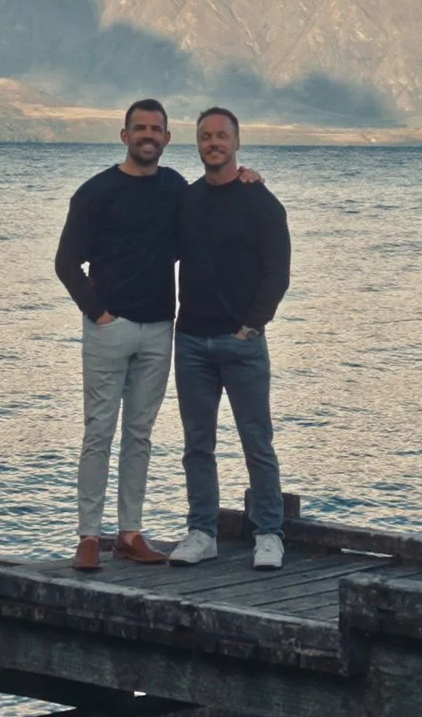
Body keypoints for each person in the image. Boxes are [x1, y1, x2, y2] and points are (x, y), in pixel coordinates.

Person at [53, 99, 260, 572]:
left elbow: (216, 197)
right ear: (124, 135)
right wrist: (99, 313)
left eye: (157, 129)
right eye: (139, 128)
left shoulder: (175, 190)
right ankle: (89, 535)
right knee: (98, 432)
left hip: (161, 328)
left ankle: (129, 533)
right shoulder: (95, 192)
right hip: (110, 328)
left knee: (140, 435)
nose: (148, 135)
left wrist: (248, 179)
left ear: (168, 139)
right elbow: (66, 263)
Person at [168, 106, 293, 571]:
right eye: (205, 136)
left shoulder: (261, 201)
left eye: (222, 135)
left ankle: (269, 534)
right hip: (193, 343)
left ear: (236, 142)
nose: (213, 142)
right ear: (197, 144)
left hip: (242, 343)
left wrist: (252, 325)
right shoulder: (187, 200)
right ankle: (202, 532)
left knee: (257, 442)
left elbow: (277, 273)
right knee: (197, 444)